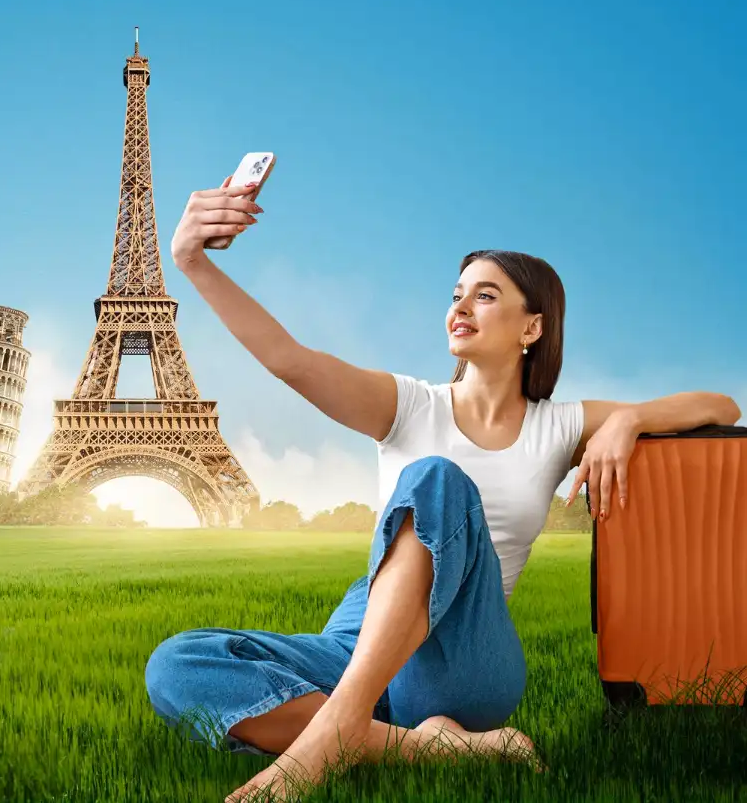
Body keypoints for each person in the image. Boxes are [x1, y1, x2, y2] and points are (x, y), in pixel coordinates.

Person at [144, 178, 741, 801]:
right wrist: (190, 261)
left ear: (531, 327)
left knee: (436, 480)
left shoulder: (557, 425)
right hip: (360, 634)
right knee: (179, 665)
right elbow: (290, 360)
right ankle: (423, 747)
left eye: (485, 296)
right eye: (456, 294)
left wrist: (629, 418)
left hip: (460, 652)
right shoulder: (406, 406)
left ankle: (328, 736)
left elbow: (721, 405)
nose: (460, 307)